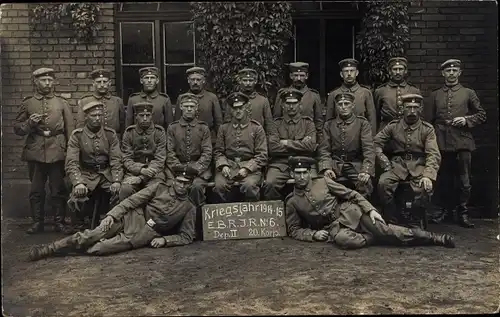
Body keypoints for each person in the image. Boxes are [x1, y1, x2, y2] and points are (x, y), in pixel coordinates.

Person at [28, 166, 198, 261]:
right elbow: (131, 201)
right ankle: (49, 249)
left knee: (98, 249)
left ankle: (71, 249)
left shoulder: (189, 207)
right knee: (91, 235)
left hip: (144, 234)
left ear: (190, 185)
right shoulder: (159, 187)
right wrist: (111, 215)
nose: (182, 186)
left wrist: (165, 240)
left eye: (186, 183)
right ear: (174, 180)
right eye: (179, 182)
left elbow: (187, 236)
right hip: (130, 217)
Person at [285, 156, 455, 249]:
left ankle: (435, 238)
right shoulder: (292, 201)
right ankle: (375, 237)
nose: (301, 177)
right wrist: (312, 235)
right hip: (335, 228)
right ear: (292, 174)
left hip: (352, 213)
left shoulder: (323, 181)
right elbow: (294, 230)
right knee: (344, 241)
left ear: (309, 173)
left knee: (388, 232)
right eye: (297, 173)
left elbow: (352, 194)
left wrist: (371, 210)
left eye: (304, 172)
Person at [425, 59, 487, 228]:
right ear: (443, 73)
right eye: (448, 71)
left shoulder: (468, 93)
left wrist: (466, 119)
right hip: (441, 141)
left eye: (454, 71)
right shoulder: (435, 95)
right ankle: (443, 211)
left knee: (464, 180)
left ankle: (462, 212)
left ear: (459, 73)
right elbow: (427, 122)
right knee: (443, 179)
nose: (451, 74)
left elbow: (482, 115)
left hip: (462, 142)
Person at [14, 67, 75, 233]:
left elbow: (70, 129)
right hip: (35, 151)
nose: (47, 83)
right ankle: (37, 222)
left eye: (50, 80)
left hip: (57, 150)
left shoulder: (62, 103)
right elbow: (18, 129)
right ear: (36, 82)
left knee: (58, 189)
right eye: (43, 80)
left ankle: (59, 222)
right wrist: (29, 124)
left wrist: (70, 152)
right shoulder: (28, 103)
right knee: (36, 190)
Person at [375, 94, 441, 226]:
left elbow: (433, 154)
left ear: (420, 109)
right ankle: (391, 219)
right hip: (397, 166)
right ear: (402, 109)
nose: (412, 111)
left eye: (415, 108)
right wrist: (384, 160)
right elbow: (376, 143)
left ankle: (415, 220)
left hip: (419, 166)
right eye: (408, 107)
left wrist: (428, 175)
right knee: (383, 183)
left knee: (424, 187)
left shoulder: (427, 129)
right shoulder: (393, 126)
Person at [65, 101, 123, 232]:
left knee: (121, 192)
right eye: (93, 115)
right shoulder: (77, 136)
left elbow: (116, 160)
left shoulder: (110, 134)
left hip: (105, 174)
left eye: (100, 115)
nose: (97, 118)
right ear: (86, 117)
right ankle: (79, 226)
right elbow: (71, 162)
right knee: (77, 196)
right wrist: (78, 182)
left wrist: (117, 180)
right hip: (86, 173)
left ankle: (113, 225)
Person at [318, 92, 375, 198]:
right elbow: (324, 150)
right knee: (320, 185)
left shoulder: (362, 124)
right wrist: (327, 168)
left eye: (347, 103)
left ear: (353, 105)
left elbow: (368, 150)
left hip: (354, 165)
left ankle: (363, 212)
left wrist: (365, 171)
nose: (343, 107)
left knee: (365, 185)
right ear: (336, 106)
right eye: (340, 104)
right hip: (335, 164)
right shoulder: (329, 125)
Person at [263, 88, 317, 200]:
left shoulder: (308, 123)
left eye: (294, 103)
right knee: (270, 183)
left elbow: (311, 147)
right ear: (283, 105)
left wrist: (286, 143)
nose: (291, 107)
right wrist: (301, 145)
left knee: (315, 184)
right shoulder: (275, 124)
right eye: (288, 103)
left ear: (300, 105)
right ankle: (277, 212)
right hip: (281, 164)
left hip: (305, 162)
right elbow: (273, 148)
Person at [214, 92, 268, 202]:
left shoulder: (256, 128)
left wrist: (247, 168)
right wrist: (223, 165)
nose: (238, 111)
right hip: (229, 166)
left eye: (240, 108)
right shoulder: (224, 128)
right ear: (230, 110)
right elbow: (218, 152)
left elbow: (262, 155)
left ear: (246, 108)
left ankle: (252, 215)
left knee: (249, 186)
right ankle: (225, 214)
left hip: (251, 169)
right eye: (234, 108)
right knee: (219, 186)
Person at [166, 93, 212, 207]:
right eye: (186, 106)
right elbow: (169, 152)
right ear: (181, 107)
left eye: (192, 106)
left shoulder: (203, 128)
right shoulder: (173, 128)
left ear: (196, 108)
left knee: (196, 187)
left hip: (198, 170)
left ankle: (197, 217)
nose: (189, 109)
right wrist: (179, 169)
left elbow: (207, 152)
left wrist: (195, 168)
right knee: (171, 187)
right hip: (177, 168)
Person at [119, 102, 167, 201]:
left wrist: (141, 177)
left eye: (148, 115)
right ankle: (129, 217)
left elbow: (160, 159)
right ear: (136, 116)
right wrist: (140, 170)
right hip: (133, 172)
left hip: (155, 173)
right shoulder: (129, 133)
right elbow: (126, 158)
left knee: (156, 189)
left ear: (151, 116)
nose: (145, 118)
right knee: (125, 189)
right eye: (141, 116)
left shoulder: (159, 132)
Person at [326, 58, 377, 135]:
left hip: (361, 134)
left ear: (357, 73)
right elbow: (329, 120)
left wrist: (371, 138)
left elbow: (371, 118)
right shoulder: (334, 94)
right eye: (346, 71)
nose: (349, 74)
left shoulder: (365, 93)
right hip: (340, 136)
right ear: (341, 74)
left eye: (352, 71)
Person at [174, 67, 223, 144]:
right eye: (192, 80)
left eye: (198, 80)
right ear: (188, 81)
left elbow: (218, 123)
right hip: (187, 140)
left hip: (208, 140)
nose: (195, 82)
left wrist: (219, 141)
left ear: (203, 81)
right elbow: (177, 123)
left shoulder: (212, 97)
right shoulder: (181, 98)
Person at [273, 62, 323, 136]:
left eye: (302, 75)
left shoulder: (314, 95)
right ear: (291, 76)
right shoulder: (282, 94)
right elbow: (276, 118)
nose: (299, 78)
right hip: (286, 135)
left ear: (307, 76)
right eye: (296, 75)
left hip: (307, 137)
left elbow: (318, 121)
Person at [374, 57, 422, 132]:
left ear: (405, 71)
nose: (398, 72)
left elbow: (420, 114)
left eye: (400, 69)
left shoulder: (414, 90)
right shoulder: (381, 91)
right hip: (386, 129)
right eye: (395, 69)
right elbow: (376, 115)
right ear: (390, 71)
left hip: (408, 130)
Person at [76, 69, 126, 137]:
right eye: (99, 82)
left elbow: (123, 125)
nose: (102, 85)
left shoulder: (117, 101)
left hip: (114, 140)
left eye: (105, 81)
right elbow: (80, 125)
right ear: (93, 83)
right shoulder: (85, 101)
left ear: (110, 83)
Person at [224, 68, 273, 133]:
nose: (248, 83)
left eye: (250, 80)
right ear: (240, 81)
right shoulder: (232, 100)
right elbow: (227, 123)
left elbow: (269, 124)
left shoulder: (263, 100)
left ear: (255, 81)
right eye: (245, 80)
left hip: (258, 138)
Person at [126, 67, 174, 131]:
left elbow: (169, 125)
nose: (149, 80)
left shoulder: (164, 100)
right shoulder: (133, 99)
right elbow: (128, 126)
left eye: (152, 78)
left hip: (158, 139)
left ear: (157, 80)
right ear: (141, 80)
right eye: (146, 78)